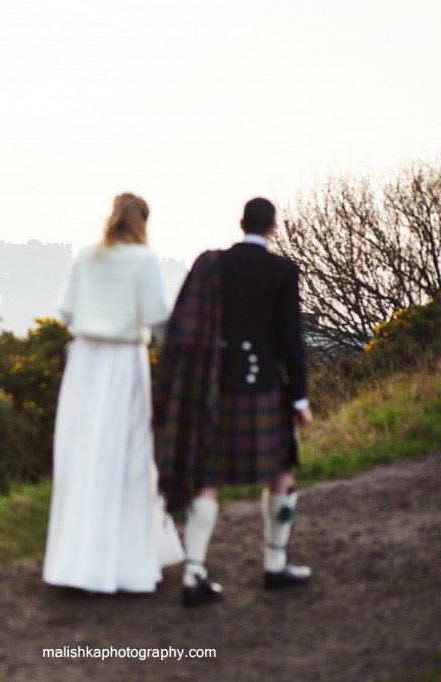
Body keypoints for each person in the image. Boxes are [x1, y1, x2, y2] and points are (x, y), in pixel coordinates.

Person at [155, 197, 314, 608]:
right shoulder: (282, 270)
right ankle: (275, 568)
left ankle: (194, 575)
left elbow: (187, 323)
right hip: (263, 388)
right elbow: (289, 341)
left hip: (217, 390)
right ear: (272, 228)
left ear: (240, 223)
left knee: (208, 481)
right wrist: (299, 397)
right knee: (280, 474)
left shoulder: (213, 264)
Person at [43, 193, 184, 594]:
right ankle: (125, 561)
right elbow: (158, 319)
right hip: (124, 361)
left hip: (85, 360)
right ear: (144, 221)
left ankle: (77, 560)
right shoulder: (144, 260)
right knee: (125, 455)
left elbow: (67, 312)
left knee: (82, 453)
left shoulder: (87, 256)